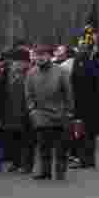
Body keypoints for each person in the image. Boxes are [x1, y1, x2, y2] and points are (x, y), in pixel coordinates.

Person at [26, 44, 73, 180]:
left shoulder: (61, 71)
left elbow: (68, 92)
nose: (40, 58)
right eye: (38, 55)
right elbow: (28, 94)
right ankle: (45, 171)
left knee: (61, 146)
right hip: (41, 114)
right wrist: (32, 110)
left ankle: (60, 170)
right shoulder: (31, 73)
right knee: (43, 145)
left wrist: (69, 111)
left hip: (59, 112)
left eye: (43, 55)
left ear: (49, 56)